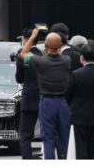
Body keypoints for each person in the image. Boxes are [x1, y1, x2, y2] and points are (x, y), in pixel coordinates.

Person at [20, 29, 71, 159]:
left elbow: (23, 53)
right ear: (60, 46)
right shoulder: (67, 60)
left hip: (47, 102)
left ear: (46, 46)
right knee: (64, 138)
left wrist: (32, 37)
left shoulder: (40, 62)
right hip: (63, 103)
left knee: (48, 138)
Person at [67, 43, 94, 159]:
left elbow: (67, 96)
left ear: (81, 57)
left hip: (80, 117)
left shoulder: (75, 75)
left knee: (81, 148)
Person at [15, 29, 43, 159]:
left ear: (25, 39)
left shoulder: (22, 55)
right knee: (49, 133)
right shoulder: (44, 54)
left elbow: (19, 78)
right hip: (45, 97)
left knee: (26, 135)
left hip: (29, 98)